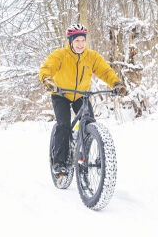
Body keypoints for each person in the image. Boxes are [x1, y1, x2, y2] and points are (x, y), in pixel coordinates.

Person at [39, 23, 127, 174]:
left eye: (82, 40)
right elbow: (47, 68)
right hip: (61, 94)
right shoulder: (60, 55)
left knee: (89, 122)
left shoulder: (91, 56)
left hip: (81, 95)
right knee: (64, 125)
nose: (80, 44)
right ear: (70, 41)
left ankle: (87, 156)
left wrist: (116, 83)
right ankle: (59, 162)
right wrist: (47, 80)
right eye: (77, 41)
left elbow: (105, 71)